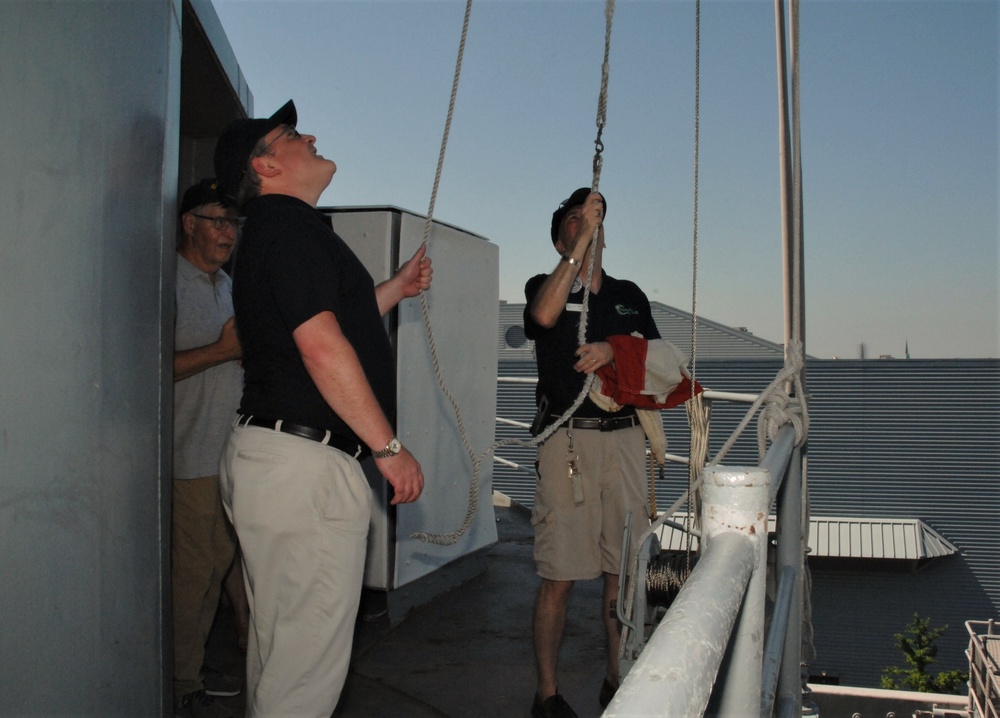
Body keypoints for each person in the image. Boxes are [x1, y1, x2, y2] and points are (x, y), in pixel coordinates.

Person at [213, 99, 431, 717]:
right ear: (265, 165)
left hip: (278, 458)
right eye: (290, 135)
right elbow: (319, 344)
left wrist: (394, 288)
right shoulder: (290, 225)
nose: (308, 136)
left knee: (282, 655)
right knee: (303, 678)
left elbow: (321, 323)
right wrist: (388, 449)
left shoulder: (276, 233)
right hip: (306, 468)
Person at [523, 187, 660, 718]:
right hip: (569, 441)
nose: (589, 224)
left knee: (620, 571)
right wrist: (575, 253)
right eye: (576, 219)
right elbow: (542, 317)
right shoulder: (545, 283)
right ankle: (548, 695)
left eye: (595, 218)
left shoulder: (628, 295)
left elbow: (656, 355)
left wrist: (612, 350)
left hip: (625, 439)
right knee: (558, 573)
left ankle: (616, 677)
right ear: (562, 236)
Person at [172, 178, 246, 718]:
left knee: (218, 563)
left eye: (233, 223)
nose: (227, 232)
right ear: (189, 223)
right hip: (190, 456)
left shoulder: (225, 284)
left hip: (227, 455)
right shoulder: (168, 284)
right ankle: (179, 680)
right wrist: (223, 352)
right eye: (217, 221)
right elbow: (150, 369)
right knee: (195, 573)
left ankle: (190, 664)